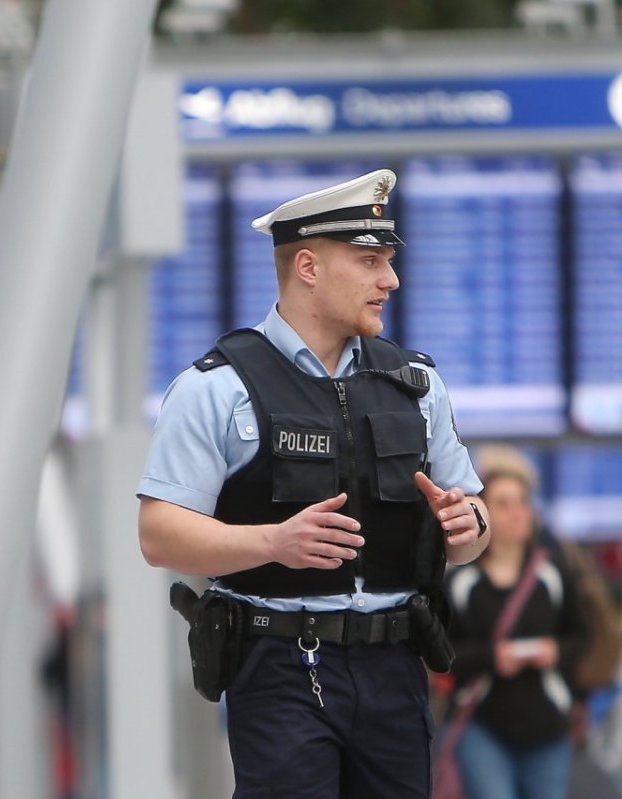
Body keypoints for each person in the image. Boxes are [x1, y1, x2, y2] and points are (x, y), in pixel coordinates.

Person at [136, 168, 491, 798]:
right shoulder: (217, 388)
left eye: (388, 260)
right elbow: (161, 535)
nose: (391, 280)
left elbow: (470, 527)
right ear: (308, 266)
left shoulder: (415, 384)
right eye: (370, 260)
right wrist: (272, 543)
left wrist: (470, 526)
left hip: (396, 666)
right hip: (280, 666)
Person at [441, 450, 590, 799]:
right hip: (481, 722)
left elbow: (582, 637)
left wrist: (555, 651)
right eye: (503, 503)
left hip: (548, 724)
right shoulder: (462, 583)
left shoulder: (553, 573)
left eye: (522, 502)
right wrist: (494, 658)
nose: (516, 512)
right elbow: (442, 653)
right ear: (485, 514)